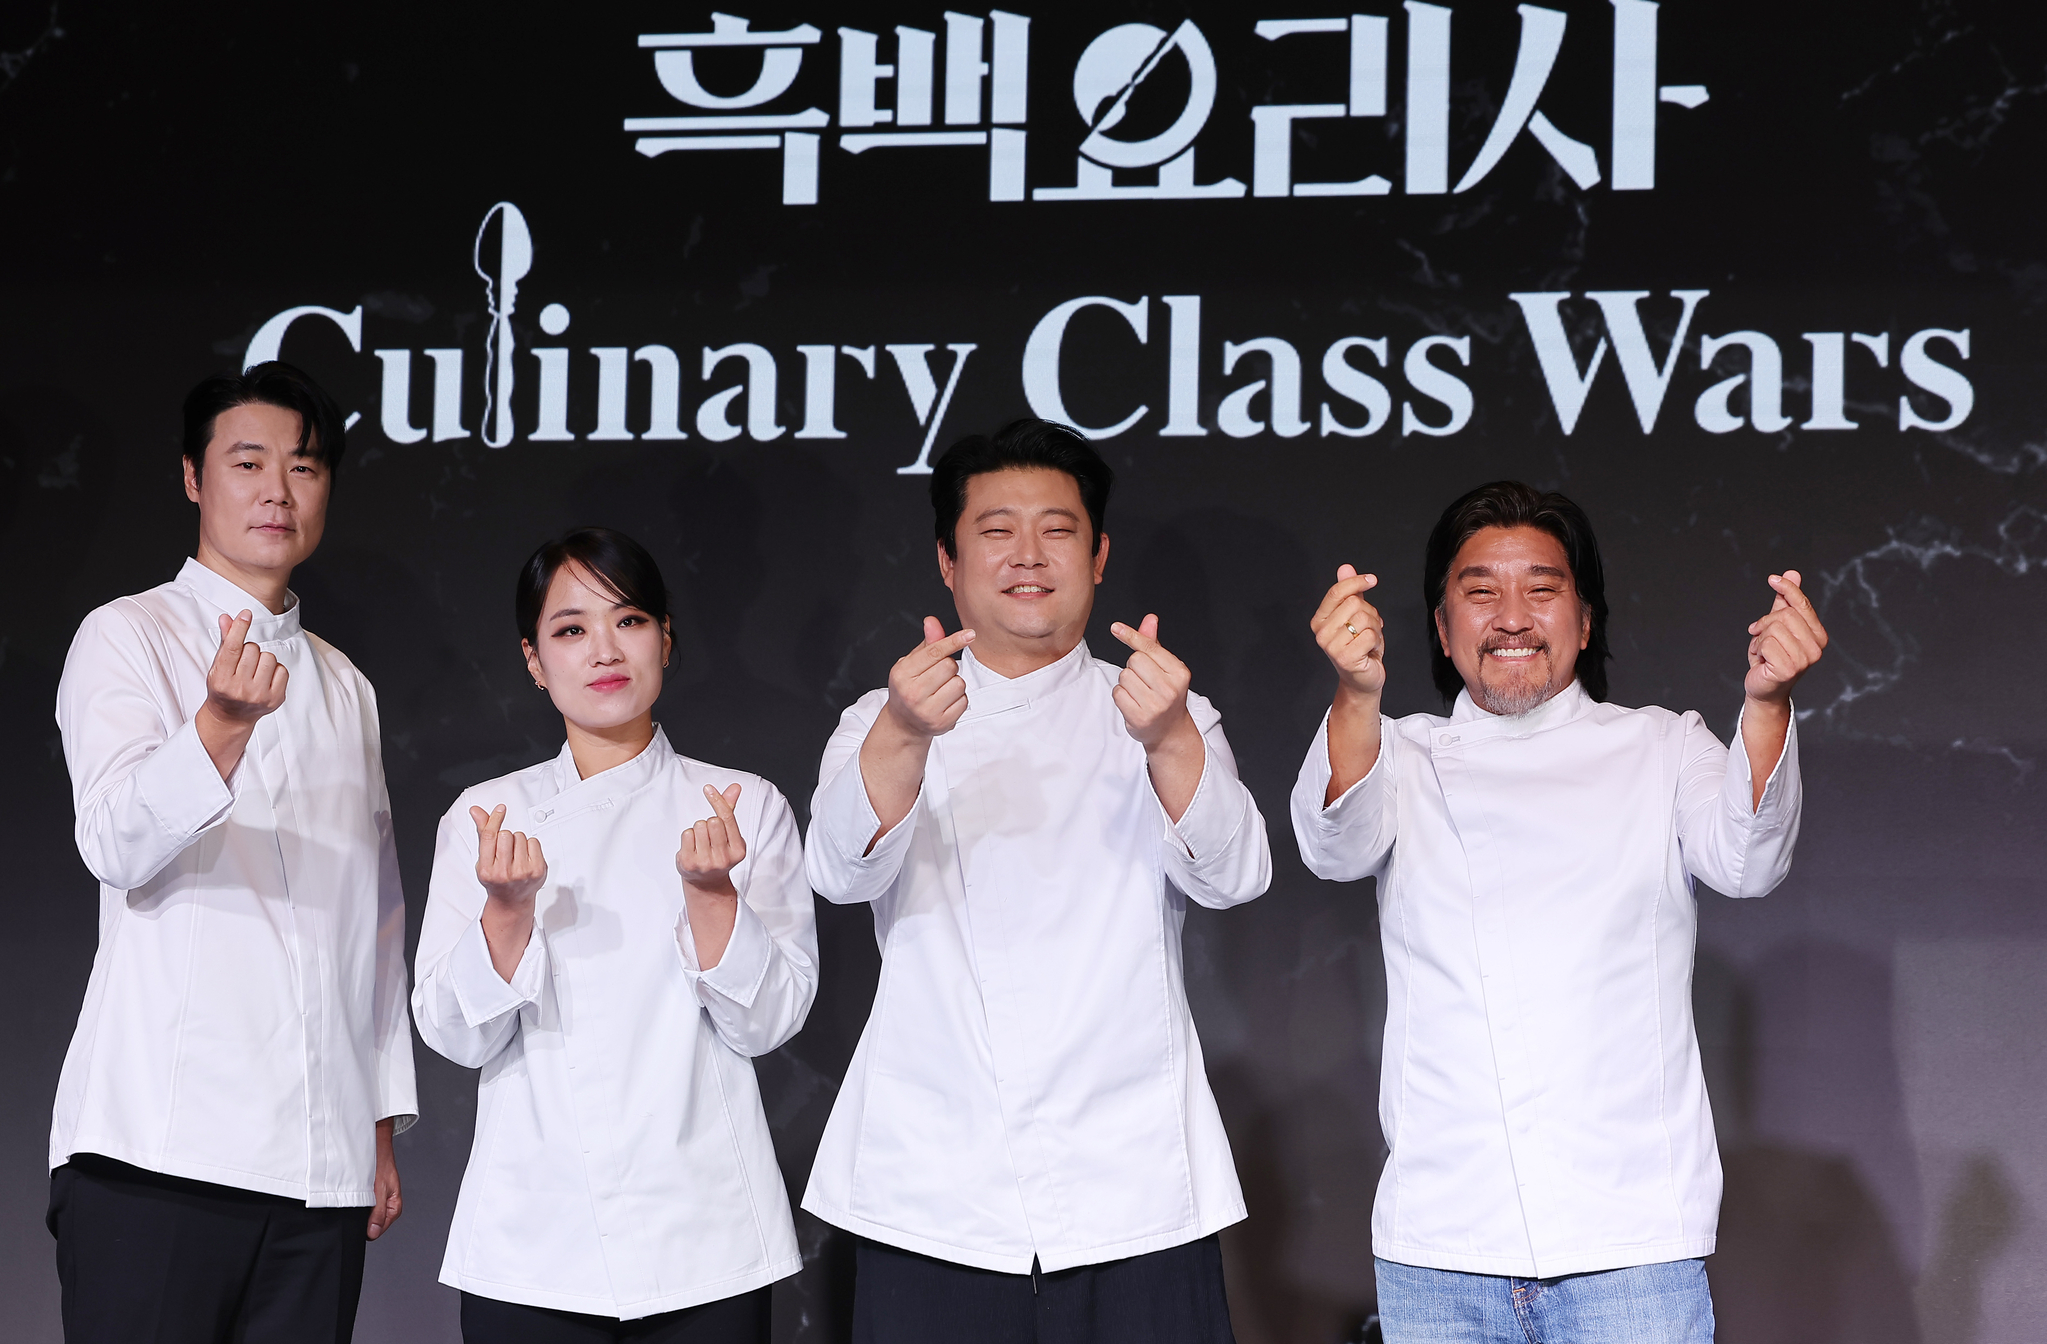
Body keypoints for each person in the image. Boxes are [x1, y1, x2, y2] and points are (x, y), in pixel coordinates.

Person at [1290, 481, 1830, 1343]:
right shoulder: (1398, 752)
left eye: (1541, 590)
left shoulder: (1661, 744)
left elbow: (1748, 859)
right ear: (1438, 626)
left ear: (1584, 620)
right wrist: (1355, 694)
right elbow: (1332, 847)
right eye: (1479, 592)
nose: (1510, 617)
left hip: (1630, 1247)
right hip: (1439, 1248)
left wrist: (1764, 705)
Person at [802, 418, 1272, 1344]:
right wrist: (902, 733)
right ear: (947, 559)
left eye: (1056, 529)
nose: (1027, 554)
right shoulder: (882, 713)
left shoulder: (1161, 705)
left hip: (1131, 1181)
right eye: (995, 529)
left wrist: (1171, 740)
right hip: (935, 1188)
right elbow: (839, 872)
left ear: (1097, 557)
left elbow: (1235, 875)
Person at [47, 362, 417, 1343]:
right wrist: (217, 726)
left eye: (302, 467)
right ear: (192, 478)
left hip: (318, 1166)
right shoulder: (128, 636)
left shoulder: (347, 686)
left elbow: (376, 921)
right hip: (158, 1154)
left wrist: (378, 1121)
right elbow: (115, 841)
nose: (276, 491)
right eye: (246, 462)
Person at [411, 527, 817, 1344]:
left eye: (628, 621)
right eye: (570, 629)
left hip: (706, 1236)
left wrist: (710, 896)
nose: (604, 649)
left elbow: (768, 1022)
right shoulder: (488, 818)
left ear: (666, 637)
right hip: (533, 1241)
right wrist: (505, 914)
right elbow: (453, 1034)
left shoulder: (742, 805)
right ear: (533, 660)